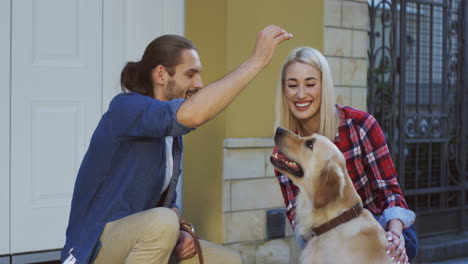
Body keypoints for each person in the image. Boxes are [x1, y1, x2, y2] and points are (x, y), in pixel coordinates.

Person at [61, 25, 292, 264]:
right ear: (161, 75)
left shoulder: (172, 137)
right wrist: (256, 61)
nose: (199, 83)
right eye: (190, 74)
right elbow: (193, 115)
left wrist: (181, 228)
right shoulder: (125, 108)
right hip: (94, 248)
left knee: (228, 260)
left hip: (143, 241)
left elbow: (169, 204)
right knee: (162, 222)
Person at [272, 47, 418, 264]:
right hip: (324, 234)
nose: (301, 94)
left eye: (310, 84)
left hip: (381, 224)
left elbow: (390, 193)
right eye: (292, 85)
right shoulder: (287, 152)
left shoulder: (360, 125)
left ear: (325, 86)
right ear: (284, 90)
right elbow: (298, 216)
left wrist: (395, 236)